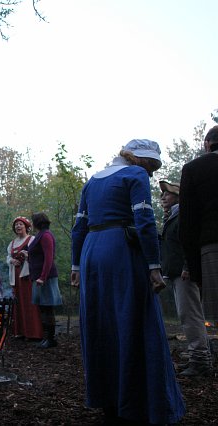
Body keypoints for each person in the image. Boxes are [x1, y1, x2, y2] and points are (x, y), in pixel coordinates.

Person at [71, 139, 185, 424]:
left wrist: (75, 265)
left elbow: (79, 226)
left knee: (101, 324)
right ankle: (138, 403)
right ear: (142, 161)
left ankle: (109, 401)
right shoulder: (135, 175)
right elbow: (144, 220)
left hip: (91, 253)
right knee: (133, 320)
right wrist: (154, 266)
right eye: (152, 167)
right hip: (121, 251)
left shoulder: (93, 180)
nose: (152, 173)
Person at [160, 180, 212, 377]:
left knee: (190, 316)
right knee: (189, 315)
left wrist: (188, 266)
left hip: (184, 274)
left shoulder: (183, 215)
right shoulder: (172, 216)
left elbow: (190, 242)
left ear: (178, 197)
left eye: (167, 194)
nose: (163, 197)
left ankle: (200, 361)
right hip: (177, 273)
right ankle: (198, 357)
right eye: (162, 195)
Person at [180, 124, 218, 325]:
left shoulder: (194, 168)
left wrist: (194, 269)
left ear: (207, 144)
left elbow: (188, 223)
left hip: (213, 247)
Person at [27, 212, 62, 349]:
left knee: (47, 308)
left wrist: (43, 277)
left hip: (45, 278)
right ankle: (46, 338)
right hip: (38, 277)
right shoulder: (40, 235)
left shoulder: (46, 235)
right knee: (42, 308)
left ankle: (51, 339)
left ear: (37, 222)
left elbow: (49, 258)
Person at [6, 216, 43, 340]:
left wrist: (26, 256)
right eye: (16, 225)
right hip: (16, 276)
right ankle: (21, 332)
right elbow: (7, 257)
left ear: (26, 227)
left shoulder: (32, 240)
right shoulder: (12, 243)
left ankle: (33, 333)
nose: (18, 226)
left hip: (28, 275)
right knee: (18, 303)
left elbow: (38, 255)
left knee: (29, 303)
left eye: (21, 224)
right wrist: (11, 260)